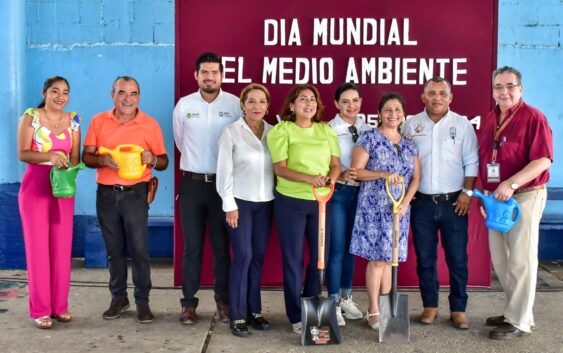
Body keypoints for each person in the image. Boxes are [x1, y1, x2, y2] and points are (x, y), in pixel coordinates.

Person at [82, 76, 168, 324]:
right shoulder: (99, 121)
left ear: (139, 97)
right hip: (106, 194)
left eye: (133, 93)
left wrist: (151, 160)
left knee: (140, 250)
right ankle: (119, 298)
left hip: (136, 194)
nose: (127, 98)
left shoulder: (149, 125)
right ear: (113, 95)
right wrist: (101, 160)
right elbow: (86, 156)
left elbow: (163, 162)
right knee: (114, 250)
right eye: (122, 93)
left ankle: (143, 302)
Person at [478, 66, 552, 340]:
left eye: (510, 86)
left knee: (522, 261)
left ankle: (520, 320)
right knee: (502, 259)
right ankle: (513, 311)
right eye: (499, 86)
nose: (504, 91)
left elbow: (543, 160)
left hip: (525, 195)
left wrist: (512, 183)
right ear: (493, 90)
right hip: (496, 199)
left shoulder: (534, 117)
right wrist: (486, 191)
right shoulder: (491, 118)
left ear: (520, 89)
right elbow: (488, 156)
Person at [401, 77, 479, 329]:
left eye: (442, 93)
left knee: (457, 258)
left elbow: (471, 161)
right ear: (423, 96)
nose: (437, 98)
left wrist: (467, 192)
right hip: (421, 203)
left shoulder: (462, 124)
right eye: (431, 93)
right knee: (425, 258)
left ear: (450, 97)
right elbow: (402, 160)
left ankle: (458, 309)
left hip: (454, 203)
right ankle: (430, 306)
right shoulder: (411, 124)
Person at [173, 52, 242, 325]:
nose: (210, 77)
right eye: (205, 72)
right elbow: (180, 141)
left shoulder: (235, 104)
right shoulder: (184, 105)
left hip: (222, 187)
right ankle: (188, 304)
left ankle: (223, 301)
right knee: (192, 248)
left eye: (215, 72)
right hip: (191, 184)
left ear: (222, 75)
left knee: (222, 248)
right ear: (196, 75)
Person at [267, 84, 341, 334]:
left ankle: (312, 306)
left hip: (322, 201)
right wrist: (311, 179)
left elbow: (336, 164)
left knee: (320, 258)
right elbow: (280, 169)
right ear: (291, 105)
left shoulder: (325, 130)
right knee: (293, 259)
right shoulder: (282, 130)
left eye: (312, 99)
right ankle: (296, 316)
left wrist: (330, 178)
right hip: (291, 202)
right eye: (302, 99)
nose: (308, 103)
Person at [349, 92, 420, 330]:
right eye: (388, 110)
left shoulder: (410, 143)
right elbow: (356, 171)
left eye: (397, 110)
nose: (393, 114)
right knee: (377, 261)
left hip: (399, 210)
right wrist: (382, 174)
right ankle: (374, 310)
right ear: (379, 113)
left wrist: (405, 204)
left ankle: (388, 306)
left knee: (390, 261)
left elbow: (416, 179)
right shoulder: (369, 138)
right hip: (374, 208)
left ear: (403, 114)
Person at [17, 76, 81, 329]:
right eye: (55, 91)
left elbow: (74, 157)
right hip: (36, 185)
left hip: (63, 187)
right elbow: (23, 153)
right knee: (38, 250)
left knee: (61, 247)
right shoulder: (31, 117)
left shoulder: (74, 121)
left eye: (65, 92)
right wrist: (50, 155)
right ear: (44, 92)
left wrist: (70, 168)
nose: (60, 96)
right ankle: (40, 310)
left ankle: (59, 307)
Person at [216, 83, 275, 337]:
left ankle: (254, 311)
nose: (256, 106)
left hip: (266, 203)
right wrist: (229, 205)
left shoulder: (274, 132)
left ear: (267, 106)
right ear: (242, 104)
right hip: (239, 204)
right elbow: (224, 172)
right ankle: (237, 315)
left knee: (258, 257)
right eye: (251, 101)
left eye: (261, 102)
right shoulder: (231, 132)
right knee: (243, 256)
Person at [326, 82, 371, 326]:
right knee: (337, 248)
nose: (350, 106)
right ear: (336, 104)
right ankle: (332, 301)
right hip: (339, 193)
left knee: (351, 249)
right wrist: (340, 175)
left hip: (361, 194)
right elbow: (324, 162)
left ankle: (346, 296)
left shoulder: (369, 129)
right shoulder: (329, 129)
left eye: (355, 101)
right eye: (345, 101)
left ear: (361, 102)